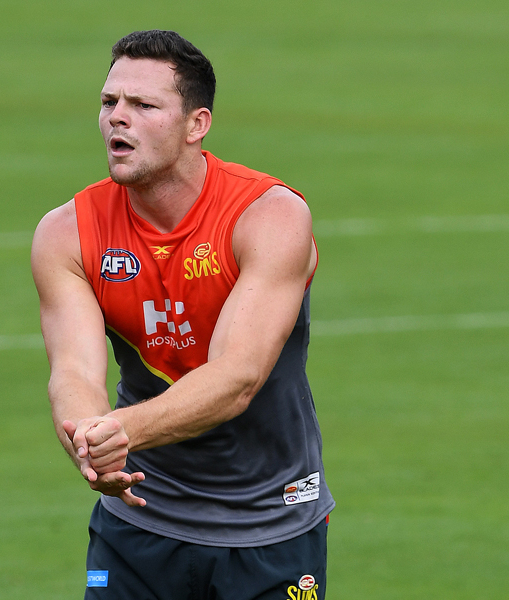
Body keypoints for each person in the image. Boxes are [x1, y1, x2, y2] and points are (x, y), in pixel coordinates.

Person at [31, 29, 334, 600]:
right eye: (109, 101)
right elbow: (73, 371)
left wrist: (119, 431)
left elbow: (236, 378)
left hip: (270, 525)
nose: (118, 118)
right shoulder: (67, 233)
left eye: (143, 105)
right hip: (138, 523)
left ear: (197, 125)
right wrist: (88, 442)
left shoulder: (268, 216)